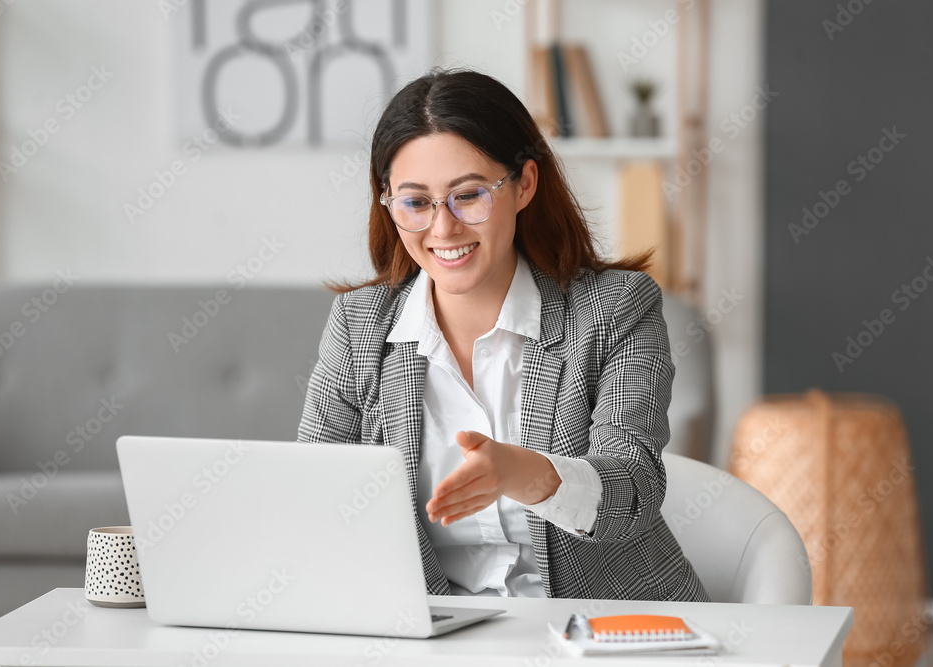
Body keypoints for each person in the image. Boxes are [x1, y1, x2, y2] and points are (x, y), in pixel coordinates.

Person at [298, 66, 709, 602]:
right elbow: (312, 493)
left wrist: (527, 474)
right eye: (417, 203)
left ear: (525, 185)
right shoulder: (358, 326)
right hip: (437, 638)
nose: (443, 229)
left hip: (609, 633)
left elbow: (635, 491)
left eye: (468, 196)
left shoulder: (614, 308)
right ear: (388, 203)